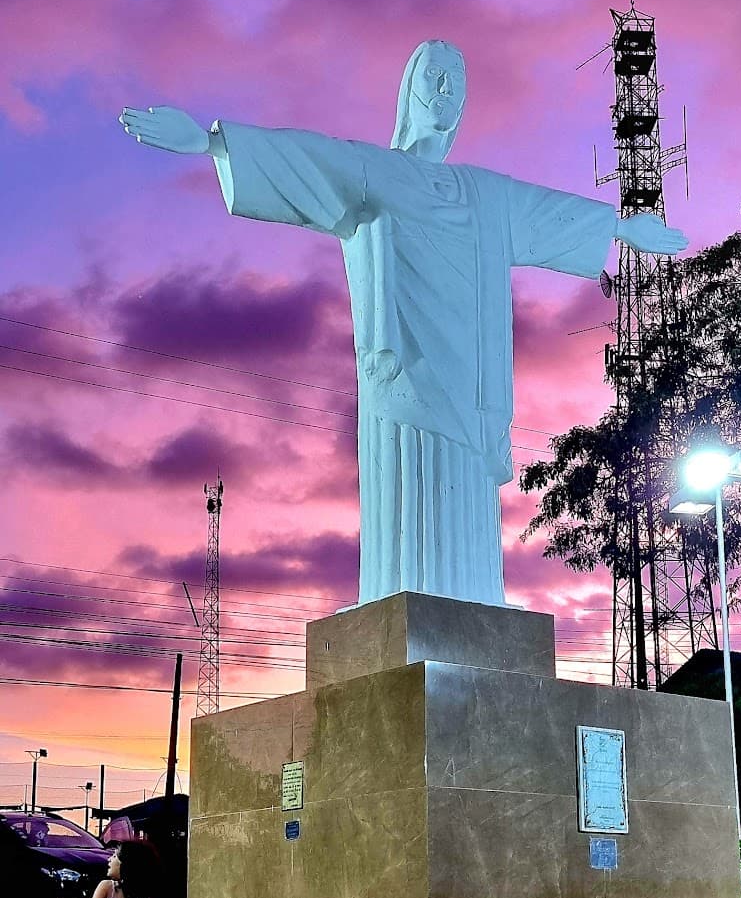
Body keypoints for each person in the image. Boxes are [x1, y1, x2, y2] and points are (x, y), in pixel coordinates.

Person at [120, 40, 687, 608]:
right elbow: (306, 158)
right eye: (435, 78)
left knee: (464, 490)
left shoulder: (483, 193)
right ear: (409, 90)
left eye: (456, 83)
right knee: (406, 490)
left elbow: (542, 212)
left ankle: (474, 603)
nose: (446, 91)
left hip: (470, 378)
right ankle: (397, 598)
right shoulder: (377, 172)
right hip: (403, 371)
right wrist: (211, 142)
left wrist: (618, 227)